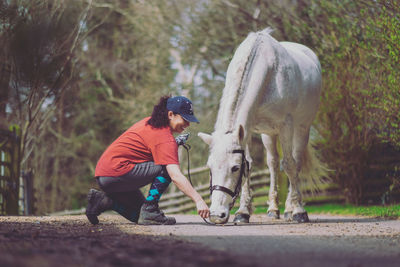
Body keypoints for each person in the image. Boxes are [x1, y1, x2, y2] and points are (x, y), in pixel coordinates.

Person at [85, 95, 210, 225]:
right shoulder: (165, 138)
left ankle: (103, 201)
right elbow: (175, 175)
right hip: (118, 171)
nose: (188, 124)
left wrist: (173, 144)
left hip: (106, 175)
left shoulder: (149, 123)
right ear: (171, 114)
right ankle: (150, 208)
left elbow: (148, 149)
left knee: (140, 216)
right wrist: (198, 200)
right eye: (185, 118)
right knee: (166, 168)